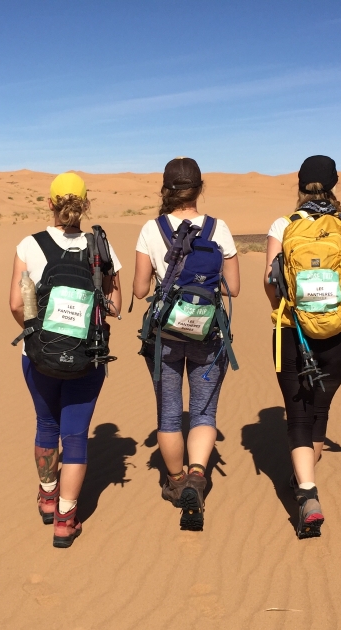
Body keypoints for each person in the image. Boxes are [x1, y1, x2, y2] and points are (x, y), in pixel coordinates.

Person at [264, 155, 341, 539]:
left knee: (296, 415)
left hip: (291, 332)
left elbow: (269, 283)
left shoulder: (282, 226)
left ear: (299, 184)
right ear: (334, 185)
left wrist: (288, 314)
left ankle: (307, 492)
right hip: (339, 336)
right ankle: (306, 479)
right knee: (320, 407)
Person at [9, 172, 122, 548]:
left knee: (46, 424)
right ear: (86, 203)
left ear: (50, 203)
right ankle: (65, 520)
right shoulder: (99, 246)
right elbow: (117, 305)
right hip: (87, 358)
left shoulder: (30, 245)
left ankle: (46, 498)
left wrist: (37, 334)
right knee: (74, 437)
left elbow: (15, 303)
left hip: (38, 356)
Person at [133, 157, 241, 531]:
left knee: (169, 413)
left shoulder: (151, 229)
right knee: (203, 413)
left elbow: (139, 289)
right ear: (199, 187)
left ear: (166, 188)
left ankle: (177, 483)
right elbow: (235, 288)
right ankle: (198, 475)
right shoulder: (219, 228)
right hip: (208, 334)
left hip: (165, 335)